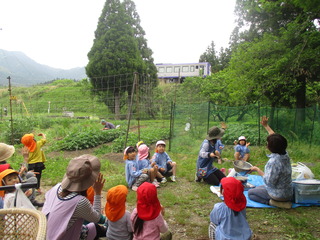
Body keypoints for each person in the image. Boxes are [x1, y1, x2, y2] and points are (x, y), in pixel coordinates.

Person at [42, 154, 107, 240]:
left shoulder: (56, 188)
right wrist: (97, 192)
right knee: (93, 227)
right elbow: (97, 218)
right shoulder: (79, 201)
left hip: (46, 234)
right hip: (63, 237)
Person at [248, 116, 293, 209]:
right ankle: (278, 201)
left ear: (270, 147)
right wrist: (266, 126)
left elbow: (269, 182)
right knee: (258, 187)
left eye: (267, 143)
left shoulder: (273, 162)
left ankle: (273, 203)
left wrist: (257, 169)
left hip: (278, 195)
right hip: (288, 192)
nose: (266, 144)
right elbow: (276, 139)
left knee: (251, 193)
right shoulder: (284, 154)